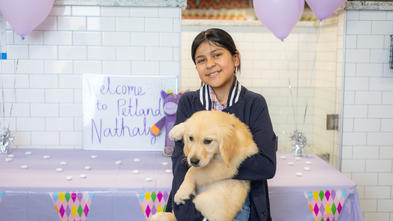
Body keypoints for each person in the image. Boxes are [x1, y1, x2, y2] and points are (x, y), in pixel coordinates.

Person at [166, 28, 277, 221]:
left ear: (235, 59)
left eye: (216, 55)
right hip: (194, 210)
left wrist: (207, 162)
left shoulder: (254, 103)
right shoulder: (189, 103)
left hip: (243, 208)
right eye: (201, 60)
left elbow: (265, 166)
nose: (210, 64)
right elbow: (181, 164)